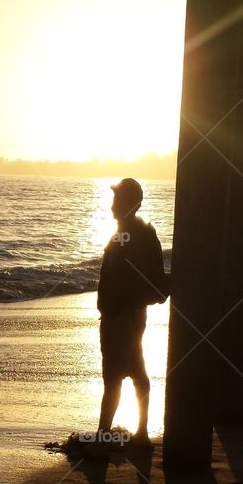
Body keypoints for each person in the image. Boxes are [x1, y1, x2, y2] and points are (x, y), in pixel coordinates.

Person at [96, 177, 168, 447]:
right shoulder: (132, 231)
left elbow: (135, 276)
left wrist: (118, 308)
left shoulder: (135, 234)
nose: (112, 206)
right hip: (124, 313)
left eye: (116, 200)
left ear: (128, 203)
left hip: (123, 315)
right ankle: (140, 433)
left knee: (115, 375)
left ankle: (108, 434)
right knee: (134, 370)